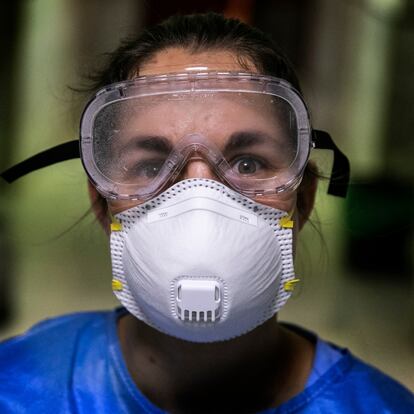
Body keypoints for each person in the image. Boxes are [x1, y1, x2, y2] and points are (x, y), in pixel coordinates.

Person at [0, 12, 413, 414]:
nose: (200, 198)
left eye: (247, 163)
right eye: (150, 166)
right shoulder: (16, 387)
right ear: (103, 206)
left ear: (301, 200)